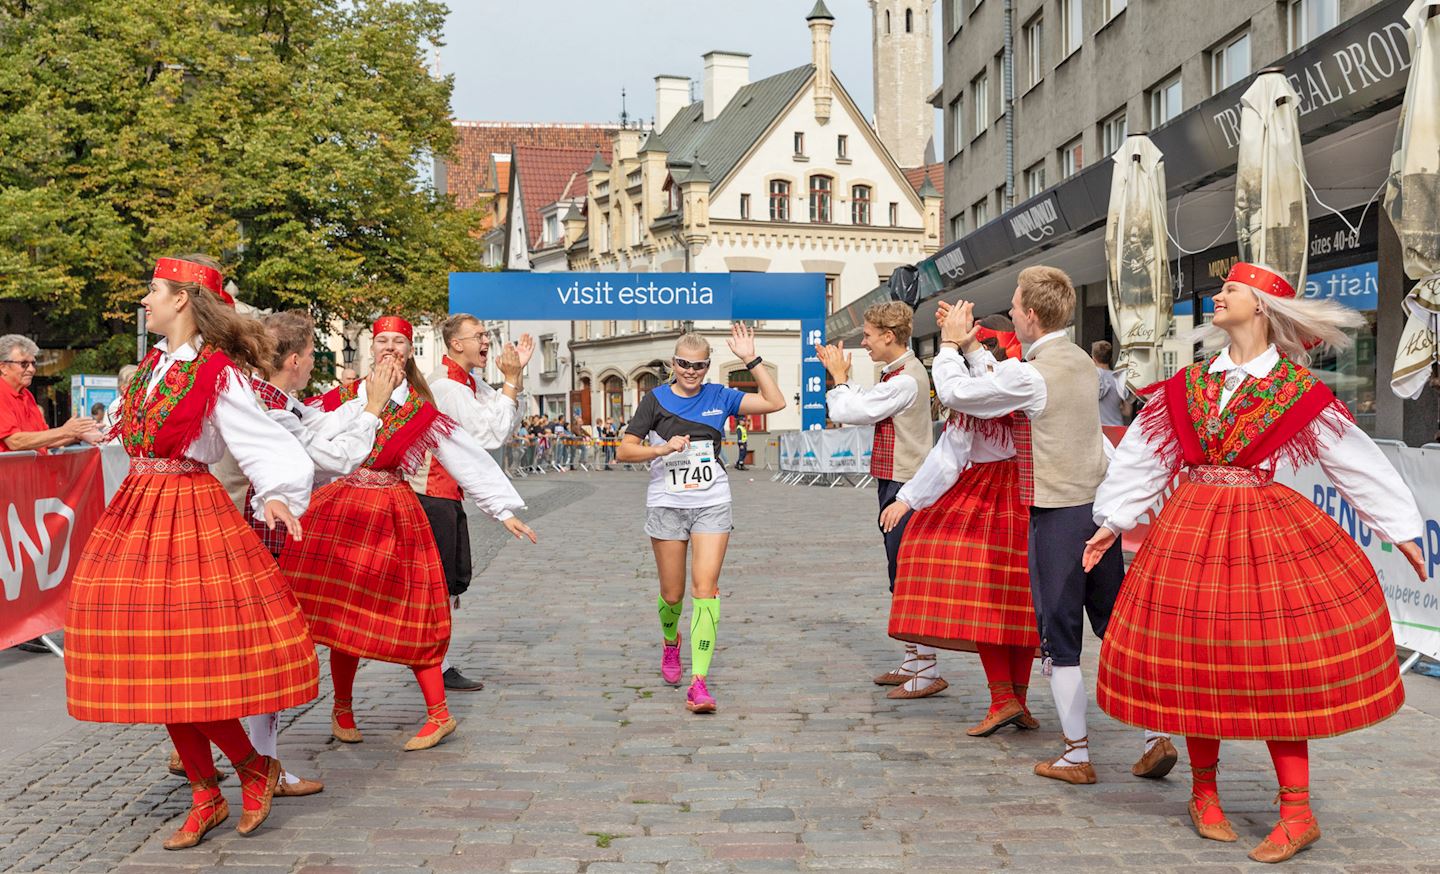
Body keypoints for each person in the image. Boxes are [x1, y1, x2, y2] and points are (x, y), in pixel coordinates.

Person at [1084, 262, 1426, 863]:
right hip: (1190, 528)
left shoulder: (1295, 390)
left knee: (1276, 662)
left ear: (1262, 306)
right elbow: (1142, 456)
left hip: (1263, 531)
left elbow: (1354, 459)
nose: (1218, 296)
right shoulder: (1189, 385)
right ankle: (1204, 793)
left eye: (1229, 290)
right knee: (1196, 656)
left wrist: (1402, 529)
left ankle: (1297, 812)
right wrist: (1111, 521)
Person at [65, 255, 318, 849]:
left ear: (181, 299)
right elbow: (124, 432)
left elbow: (264, 440)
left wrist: (279, 495)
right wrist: (78, 432)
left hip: (189, 512)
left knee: (187, 660)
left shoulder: (216, 373)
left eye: (152, 290)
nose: (144, 300)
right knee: (156, 659)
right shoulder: (152, 365)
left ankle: (252, 769)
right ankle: (208, 792)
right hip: (140, 510)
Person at [934, 266, 1175, 785]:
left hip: (1056, 513)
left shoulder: (1033, 372)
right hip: (1096, 509)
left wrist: (951, 348)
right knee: (1112, 625)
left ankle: (1076, 753)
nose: (1014, 310)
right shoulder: (1082, 362)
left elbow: (960, 395)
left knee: (1060, 639)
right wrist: (975, 348)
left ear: (1030, 315)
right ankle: (1153, 735)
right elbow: (1006, 380)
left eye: (1017, 303)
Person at [280, 315, 537, 752]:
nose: (389, 348)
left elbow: (463, 455)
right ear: (371, 348)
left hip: (393, 511)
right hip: (345, 510)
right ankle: (342, 708)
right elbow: (303, 437)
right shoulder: (342, 397)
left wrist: (503, 508)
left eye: (398, 341)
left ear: (409, 351)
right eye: (382, 340)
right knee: (344, 608)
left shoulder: (420, 409)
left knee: (414, 608)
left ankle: (439, 713)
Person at [170, 309, 397, 797]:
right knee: (260, 657)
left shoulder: (270, 397)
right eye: (313, 354)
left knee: (235, 654)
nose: (314, 363)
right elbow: (328, 457)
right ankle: (250, 760)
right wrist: (374, 410)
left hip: (234, 535)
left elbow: (318, 423)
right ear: (294, 360)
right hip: (245, 538)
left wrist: (366, 402)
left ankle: (223, 749)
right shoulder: (264, 405)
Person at [881, 315, 1041, 735]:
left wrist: (906, 500)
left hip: (988, 495)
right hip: (1031, 493)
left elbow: (948, 458)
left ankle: (1004, 699)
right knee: (1021, 599)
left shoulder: (974, 400)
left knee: (986, 596)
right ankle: (1017, 700)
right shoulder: (1027, 380)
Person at [617, 325, 785, 714]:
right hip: (667, 504)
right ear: (673, 364)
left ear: (708, 367)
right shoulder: (654, 400)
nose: (691, 371)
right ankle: (671, 642)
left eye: (699, 366)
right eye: (684, 364)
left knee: (705, 589)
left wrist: (750, 359)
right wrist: (660, 449)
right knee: (673, 594)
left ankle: (699, 682)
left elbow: (775, 402)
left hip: (712, 501)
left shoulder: (720, 395)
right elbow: (625, 451)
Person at [816, 301, 940, 699]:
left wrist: (838, 378)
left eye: (868, 335)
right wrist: (843, 381)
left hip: (905, 484)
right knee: (899, 570)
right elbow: (864, 403)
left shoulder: (905, 380)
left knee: (907, 574)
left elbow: (856, 410)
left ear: (889, 336)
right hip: (897, 480)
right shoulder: (898, 374)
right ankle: (914, 659)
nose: (864, 342)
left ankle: (927, 667)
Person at [408, 313, 532, 693]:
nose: (485, 341)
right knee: (440, 584)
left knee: (449, 583)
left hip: (447, 492)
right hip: (431, 493)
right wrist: (510, 380)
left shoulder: (468, 381)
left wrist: (516, 378)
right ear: (455, 344)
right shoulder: (446, 387)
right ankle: (433, 662)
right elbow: (490, 434)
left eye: (485, 335)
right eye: (477, 336)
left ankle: (433, 659)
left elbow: (506, 417)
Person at [0, 334, 101, 453]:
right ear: (3, 367)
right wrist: (65, 431)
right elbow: (14, 441)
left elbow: (44, 438)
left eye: (33, 363)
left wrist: (78, 434)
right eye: (24, 364)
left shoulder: (26, 395)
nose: (31, 369)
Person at [1092, 340, 1130, 426]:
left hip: (1098, 430)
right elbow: (1127, 412)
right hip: (1117, 428)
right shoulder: (1119, 378)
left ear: (1093, 358)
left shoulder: (1092, 378)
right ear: (1111, 358)